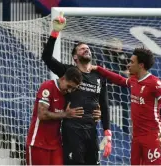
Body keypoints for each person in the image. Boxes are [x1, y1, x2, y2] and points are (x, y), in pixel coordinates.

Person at [41, 13, 111, 165]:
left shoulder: (99, 76)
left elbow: (104, 105)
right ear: (75, 57)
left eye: (88, 48)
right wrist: (55, 32)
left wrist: (107, 132)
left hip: (92, 130)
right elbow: (46, 57)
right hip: (72, 130)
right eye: (81, 49)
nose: (86, 49)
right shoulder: (69, 72)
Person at [91, 47, 161, 165]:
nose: (128, 64)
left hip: (153, 135)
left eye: (132, 62)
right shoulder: (134, 80)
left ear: (141, 65)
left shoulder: (155, 83)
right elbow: (119, 79)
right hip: (136, 136)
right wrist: (98, 69)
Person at [26, 67, 83, 165]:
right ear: (63, 79)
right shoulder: (48, 86)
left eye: (73, 88)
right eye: (69, 86)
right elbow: (42, 114)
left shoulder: (67, 95)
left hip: (56, 145)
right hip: (38, 143)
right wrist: (65, 114)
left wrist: (98, 111)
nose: (70, 90)